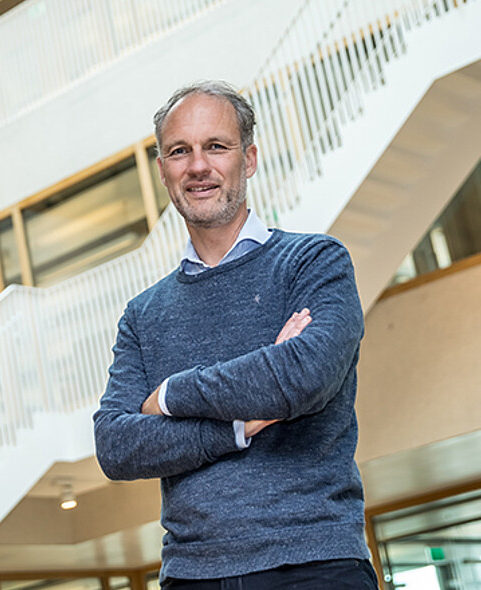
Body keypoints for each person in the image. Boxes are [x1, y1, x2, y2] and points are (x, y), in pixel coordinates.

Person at [92, 81, 374, 589]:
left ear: (249, 158)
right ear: (163, 171)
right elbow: (117, 445)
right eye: (180, 151)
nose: (198, 166)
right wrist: (239, 424)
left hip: (314, 563)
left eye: (215, 146)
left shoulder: (314, 262)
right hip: (192, 575)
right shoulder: (142, 314)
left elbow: (305, 376)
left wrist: (172, 394)